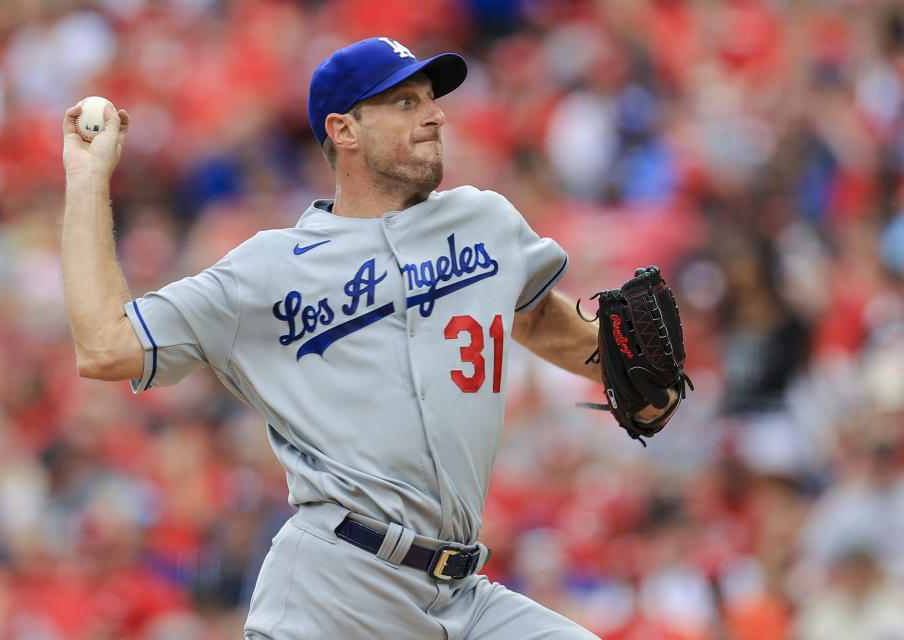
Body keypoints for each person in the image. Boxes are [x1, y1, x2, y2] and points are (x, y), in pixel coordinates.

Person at [61, 36, 675, 640]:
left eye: (431, 99)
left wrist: (616, 368)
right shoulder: (269, 268)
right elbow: (106, 346)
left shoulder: (484, 220)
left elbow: (534, 317)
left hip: (462, 589)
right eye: (405, 103)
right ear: (345, 130)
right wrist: (88, 180)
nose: (434, 115)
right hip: (337, 591)